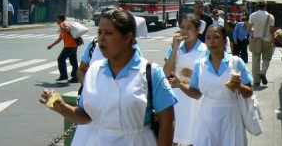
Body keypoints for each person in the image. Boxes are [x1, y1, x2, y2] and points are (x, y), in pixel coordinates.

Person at [40, 9, 177, 146]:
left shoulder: (151, 73)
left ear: (128, 37)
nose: (101, 38)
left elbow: (167, 122)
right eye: (99, 32)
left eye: (109, 33)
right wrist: (62, 108)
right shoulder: (94, 70)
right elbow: (86, 116)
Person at [168, 25, 253, 146]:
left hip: (231, 117)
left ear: (224, 40)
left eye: (216, 37)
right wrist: (180, 84)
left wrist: (239, 86)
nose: (211, 41)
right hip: (206, 116)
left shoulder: (236, 62)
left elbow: (249, 92)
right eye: (208, 38)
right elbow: (196, 94)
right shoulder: (200, 65)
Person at [163, 14, 206, 146]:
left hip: (195, 96)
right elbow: (165, 72)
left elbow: (207, 77)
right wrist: (175, 49)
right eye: (182, 27)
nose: (185, 31)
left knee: (193, 134)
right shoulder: (175, 47)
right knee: (174, 135)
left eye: (189, 28)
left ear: (197, 30)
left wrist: (194, 74)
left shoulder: (204, 50)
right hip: (176, 97)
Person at [248, 0, 275, 86]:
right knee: (267, 58)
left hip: (256, 40)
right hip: (267, 40)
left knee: (256, 59)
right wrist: (273, 41)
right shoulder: (270, 17)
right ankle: (263, 72)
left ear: (257, 6)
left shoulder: (253, 15)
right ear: (265, 6)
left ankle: (256, 81)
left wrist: (254, 30)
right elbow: (271, 31)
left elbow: (249, 28)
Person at [47, 14, 78, 83]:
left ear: (59, 19)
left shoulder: (64, 23)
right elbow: (59, 39)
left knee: (60, 59)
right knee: (74, 62)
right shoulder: (62, 26)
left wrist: (61, 25)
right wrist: (51, 45)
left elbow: (67, 29)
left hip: (70, 46)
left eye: (57, 19)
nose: (56, 21)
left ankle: (64, 76)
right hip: (73, 45)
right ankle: (75, 78)